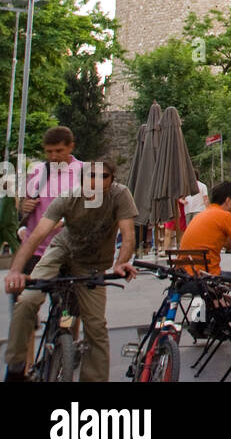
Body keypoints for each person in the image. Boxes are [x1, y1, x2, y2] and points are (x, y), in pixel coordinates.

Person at [4, 161, 139, 381]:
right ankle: (16, 365)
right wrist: (16, 271)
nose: (96, 181)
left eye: (103, 176)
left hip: (93, 262)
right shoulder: (68, 198)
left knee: (96, 326)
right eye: (90, 176)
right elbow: (36, 235)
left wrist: (121, 263)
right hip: (61, 251)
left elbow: (128, 234)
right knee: (27, 300)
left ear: (112, 180)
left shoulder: (120, 195)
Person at [15, 127, 82, 286]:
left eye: (59, 151)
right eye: (49, 151)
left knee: (68, 298)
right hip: (35, 249)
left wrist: (64, 221)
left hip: (69, 250)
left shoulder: (84, 172)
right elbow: (24, 202)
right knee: (25, 296)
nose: (53, 156)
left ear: (71, 147)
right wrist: (25, 207)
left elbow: (91, 210)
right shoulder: (38, 171)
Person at [179, 181, 231, 296]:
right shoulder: (224, 216)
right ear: (228, 200)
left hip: (184, 275)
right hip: (204, 276)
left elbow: (228, 245)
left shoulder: (204, 213)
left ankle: (221, 306)